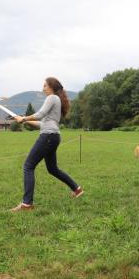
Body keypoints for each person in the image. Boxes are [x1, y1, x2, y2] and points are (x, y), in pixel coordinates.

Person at [11, 77, 83, 212]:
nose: (43, 88)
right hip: (53, 136)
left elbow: (40, 114)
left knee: (28, 166)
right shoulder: (56, 100)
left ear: (51, 87)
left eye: (45, 85)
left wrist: (25, 117)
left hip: (48, 137)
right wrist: (23, 120)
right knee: (52, 169)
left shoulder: (52, 98)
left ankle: (27, 204)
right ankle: (77, 189)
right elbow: (42, 123)